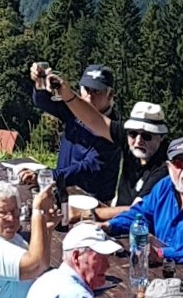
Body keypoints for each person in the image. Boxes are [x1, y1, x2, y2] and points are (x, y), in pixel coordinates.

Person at [107, 136, 183, 263]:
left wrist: (161, 253)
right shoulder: (164, 187)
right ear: (169, 167)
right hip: (161, 268)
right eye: (178, 164)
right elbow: (141, 214)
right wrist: (109, 226)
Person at [28, 63, 122, 203]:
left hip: (93, 200)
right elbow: (43, 102)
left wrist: (49, 176)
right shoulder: (75, 111)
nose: (90, 96)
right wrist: (39, 83)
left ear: (110, 94)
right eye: (86, 89)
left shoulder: (112, 130)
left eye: (96, 91)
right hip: (64, 188)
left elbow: (87, 168)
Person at [115, 103, 171, 206]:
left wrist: (96, 212)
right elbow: (96, 121)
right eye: (132, 133)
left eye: (146, 136)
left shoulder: (164, 167)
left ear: (162, 137)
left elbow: (137, 208)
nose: (138, 141)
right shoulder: (131, 147)